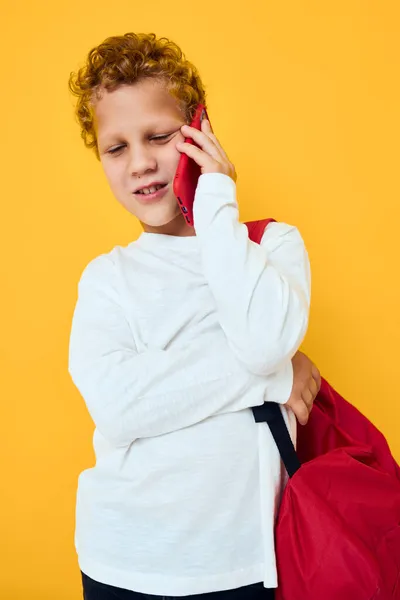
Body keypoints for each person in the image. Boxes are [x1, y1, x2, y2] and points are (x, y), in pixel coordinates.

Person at [67, 32, 320, 600]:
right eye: (116, 147)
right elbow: (120, 406)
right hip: (122, 560)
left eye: (158, 136)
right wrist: (279, 373)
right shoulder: (107, 279)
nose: (140, 163)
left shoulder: (270, 248)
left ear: (199, 130)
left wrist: (217, 199)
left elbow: (261, 340)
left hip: (241, 564)